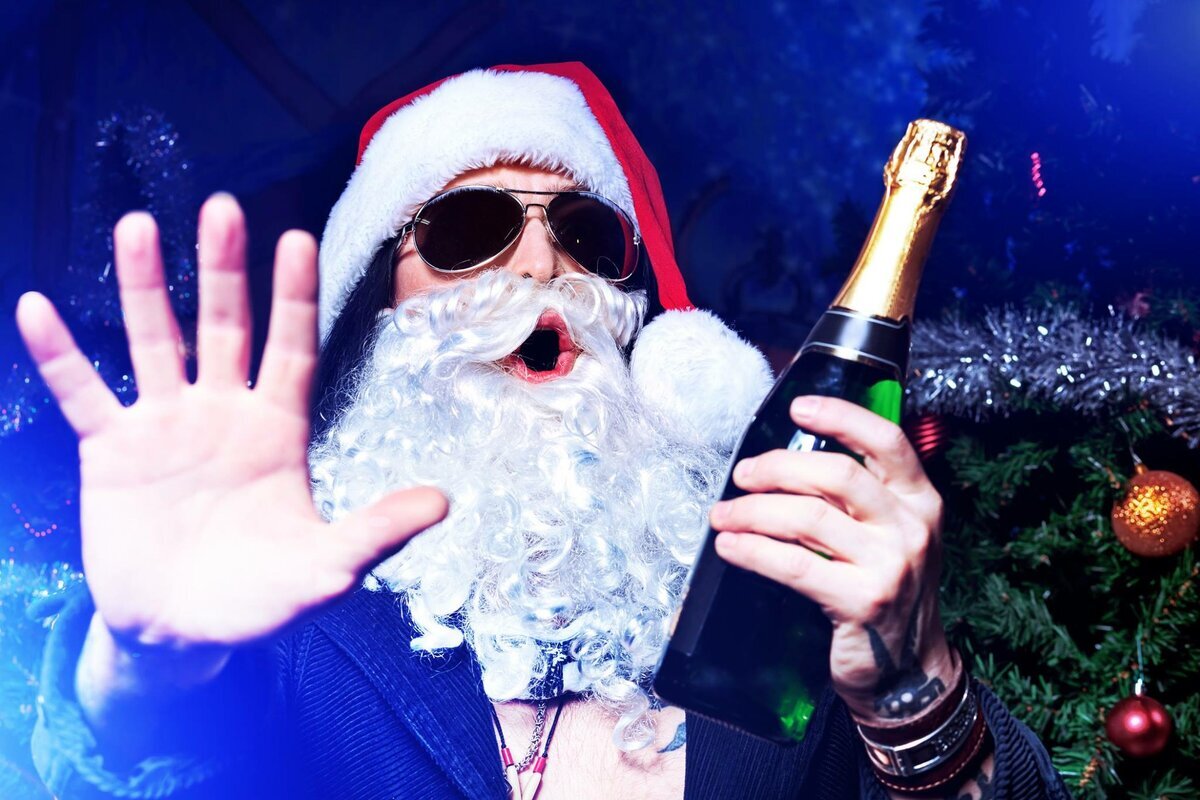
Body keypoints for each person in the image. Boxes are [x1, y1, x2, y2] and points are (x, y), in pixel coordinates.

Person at [16, 63, 1069, 799]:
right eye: (467, 229)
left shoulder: (783, 612)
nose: (538, 267)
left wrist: (911, 690)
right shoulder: (280, 618)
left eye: (586, 233)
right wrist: (143, 675)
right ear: (376, 315)